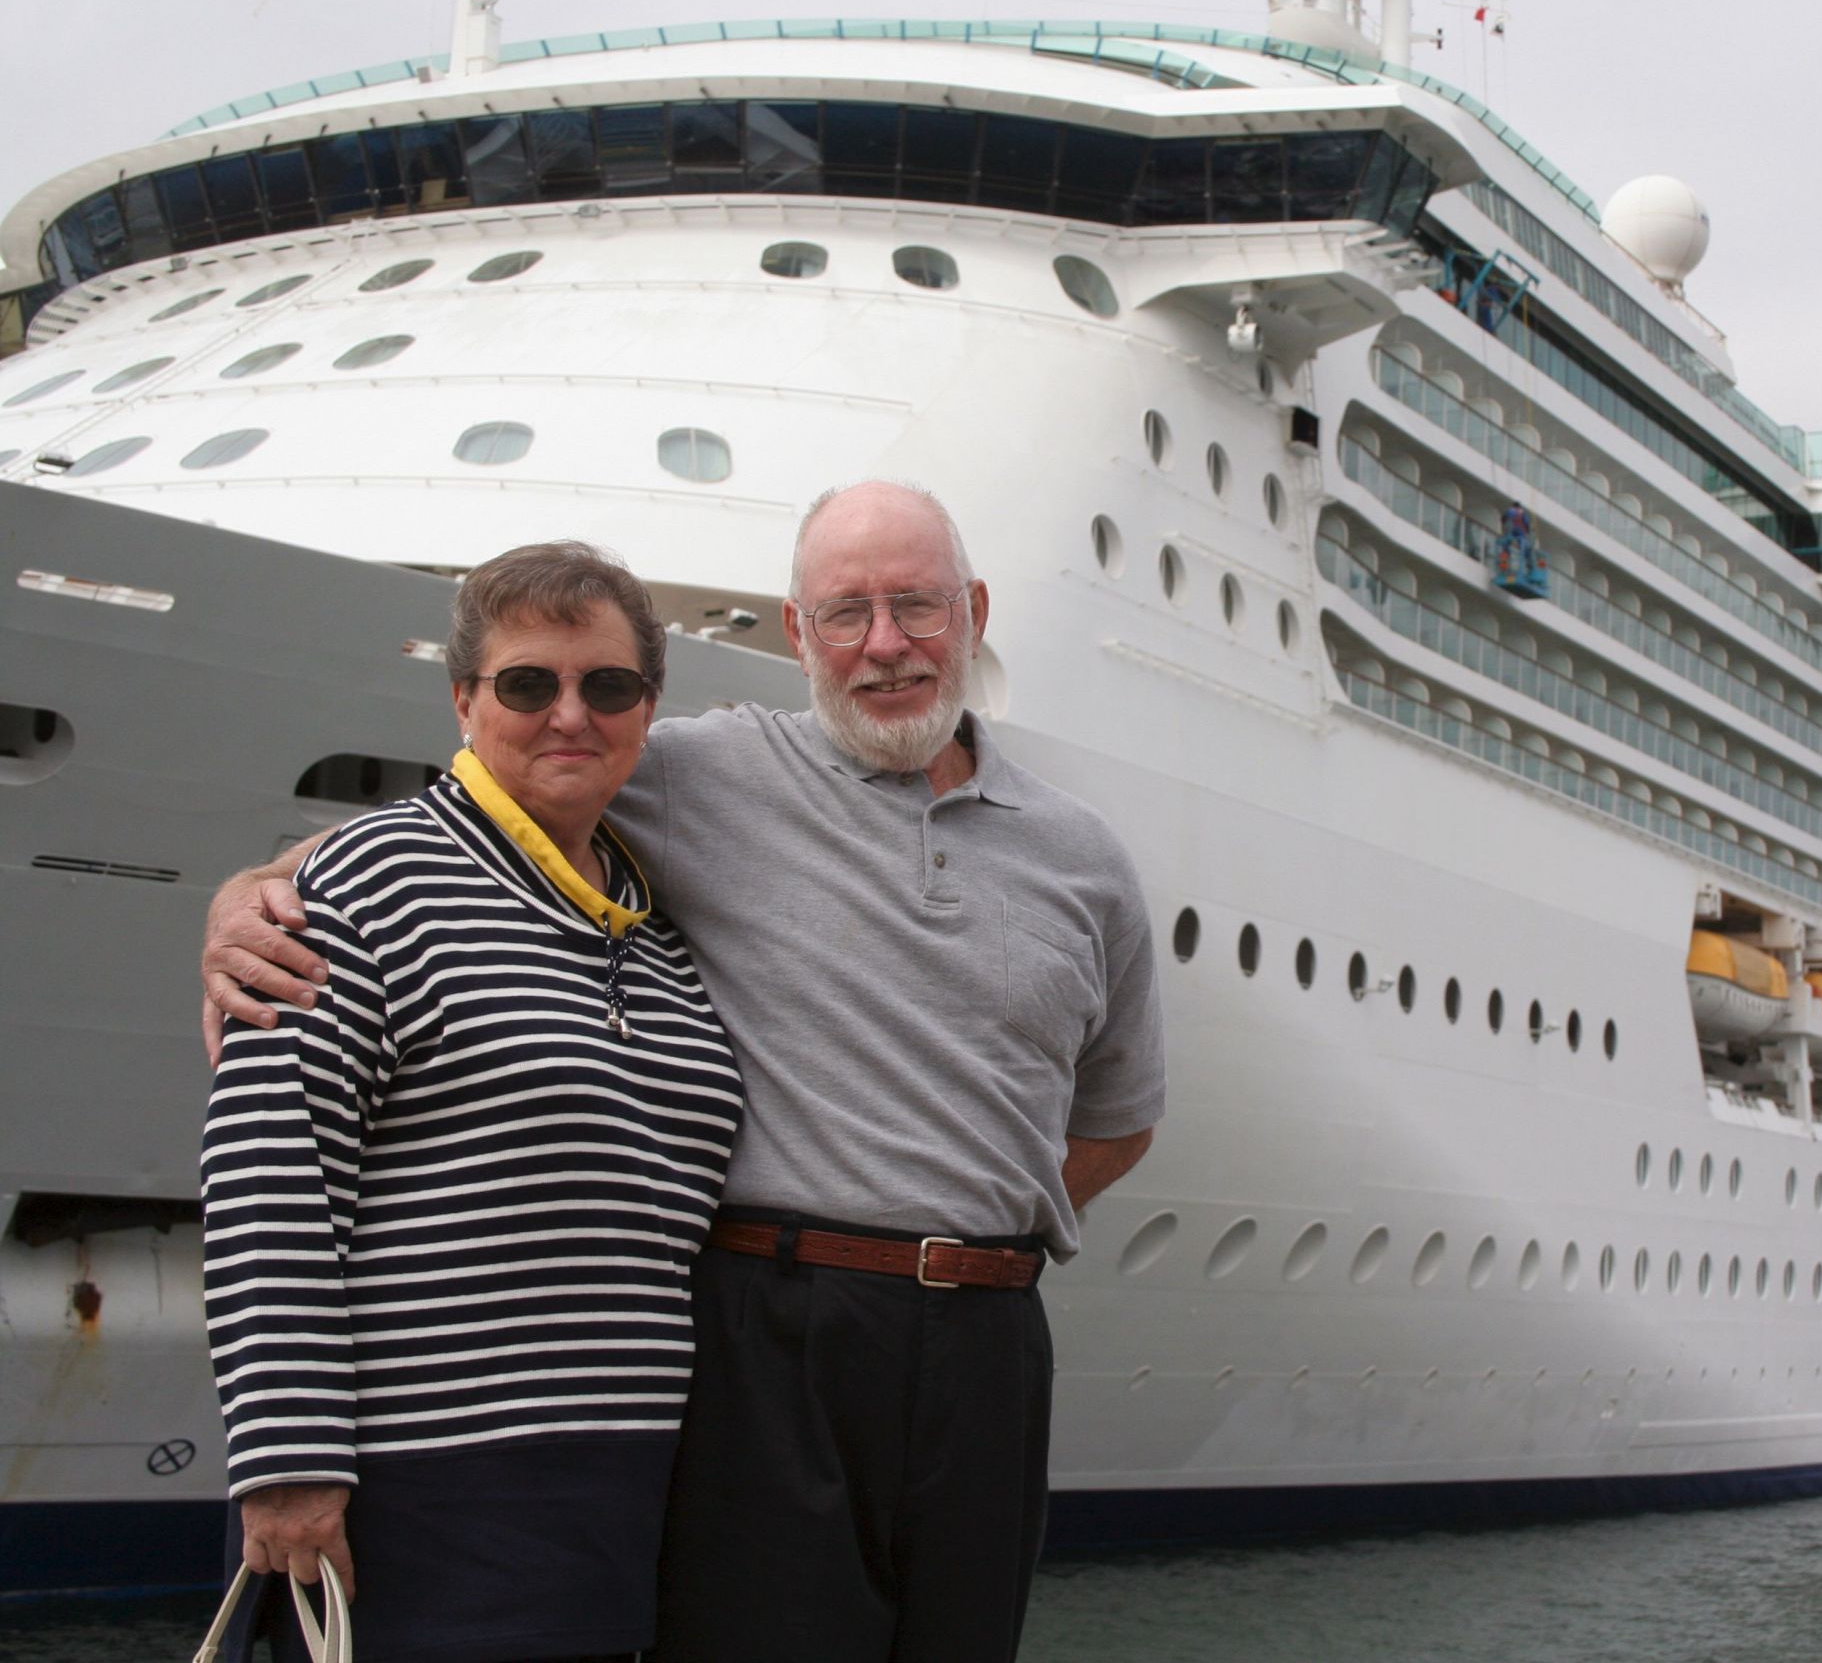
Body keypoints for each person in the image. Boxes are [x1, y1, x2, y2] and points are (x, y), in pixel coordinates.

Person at [203, 481, 1166, 1662]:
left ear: (970, 611)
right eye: (847, 612)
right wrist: (250, 889)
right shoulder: (698, 774)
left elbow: (1119, 1118)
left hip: (973, 1346)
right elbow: (485, 808)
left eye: (916, 606)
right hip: (760, 1337)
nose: (886, 644)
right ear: (798, 634)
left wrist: (977, 1220)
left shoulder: (1085, 855)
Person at [199, 542, 745, 1662]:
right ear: (463, 699)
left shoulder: (657, 938)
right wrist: (291, 1466)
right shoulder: (359, 888)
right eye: (528, 683)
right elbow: (270, 1173)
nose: (569, 715)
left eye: (608, 686)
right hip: (413, 1502)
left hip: (619, 1503)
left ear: (649, 707)